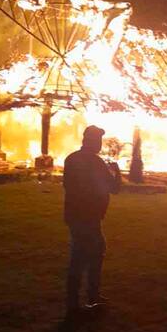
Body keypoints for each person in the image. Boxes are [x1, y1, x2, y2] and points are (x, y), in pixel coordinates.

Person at [63, 125, 122, 319]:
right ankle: (90, 298)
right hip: (89, 217)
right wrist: (117, 171)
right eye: (98, 140)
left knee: (79, 257)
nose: (99, 144)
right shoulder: (96, 163)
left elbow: (68, 187)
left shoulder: (71, 159)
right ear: (91, 140)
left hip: (75, 216)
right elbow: (114, 188)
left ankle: (78, 300)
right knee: (91, 255)